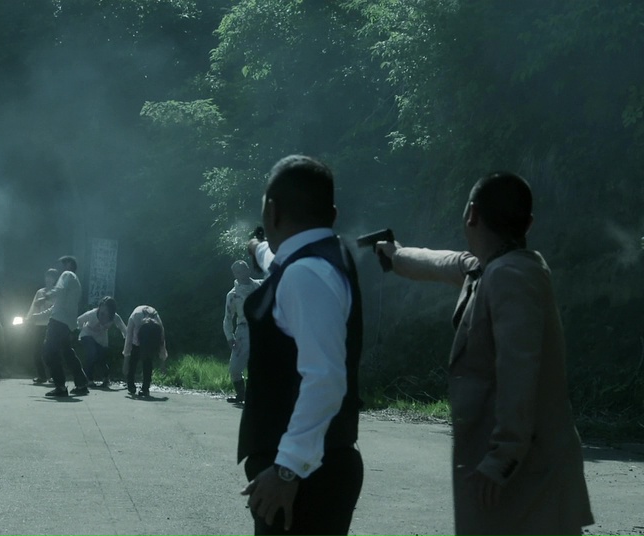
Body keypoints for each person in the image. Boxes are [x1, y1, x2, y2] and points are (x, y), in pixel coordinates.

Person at [374, 172, 593, 536]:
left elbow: (519, 371)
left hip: (525, 473)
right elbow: (444, 262)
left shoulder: (509, 276)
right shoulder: (494, 267)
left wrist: (503, 456)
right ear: (529, 224)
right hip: (520, 471)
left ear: (471, 214)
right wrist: (396, 254)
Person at [237, 155, 363, 536]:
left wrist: (286, 469)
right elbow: (278, 258)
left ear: (271, 212)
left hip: (302, 481)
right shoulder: (325, 254)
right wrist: (258, 248)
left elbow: (324, 380)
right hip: (315, 468)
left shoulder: (304, 275)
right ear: (332, 215)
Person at [39, 256, 89, 397]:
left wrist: (47, 296)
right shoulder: (76, 281)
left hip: (58, 321)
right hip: (67, 322)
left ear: (68, 264)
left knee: (49, 352)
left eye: (61, 264)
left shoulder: (67, 275)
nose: (59, 268)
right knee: (67, 352)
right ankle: (81, 383)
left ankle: (60, 386)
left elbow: (59, 290)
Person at [224, 260, 262, 404]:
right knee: (234, 367)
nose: (241, 274)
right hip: (243, 331)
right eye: (238, 272)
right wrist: (229, 337)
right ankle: (241, 394)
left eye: (243, 270)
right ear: (234, 274)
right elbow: (228, 318)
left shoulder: (260, 286)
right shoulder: (232, 295)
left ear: (248, 270)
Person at [77, 296, 129, 388]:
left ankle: (106, 377)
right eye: (102, 309)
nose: (103, 312)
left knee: (101, 357)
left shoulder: (114, 317)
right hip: (87, 334)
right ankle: (88, 379)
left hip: (101, 339)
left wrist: (128, 340)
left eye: (106, 310)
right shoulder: (92, 314)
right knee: (92, 353)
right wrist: (82, 329)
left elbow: (123, 328)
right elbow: (79, 320)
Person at [122, 305, 168, 398]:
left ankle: (145, 388)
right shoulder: (134, 318)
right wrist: (125, 362)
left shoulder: (158, 327)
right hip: (136, 340)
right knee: (133, 360)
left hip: (150, 338)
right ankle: (130, 384)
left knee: (148, 361)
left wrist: (163, 364)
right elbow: (128, 339)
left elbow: (162, 343)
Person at [26, 269, 60, 384]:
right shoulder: (40, 292)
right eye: (47, 276)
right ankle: (42, 376)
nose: (48, 279)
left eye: (51, 277)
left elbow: (54, 310)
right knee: (36, 351)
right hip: (38, 325)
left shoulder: (56, 293)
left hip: (50, 325)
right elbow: (33, 307)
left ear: (55, 279)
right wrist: (29, 319)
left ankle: (54, 376)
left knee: (49, 352)